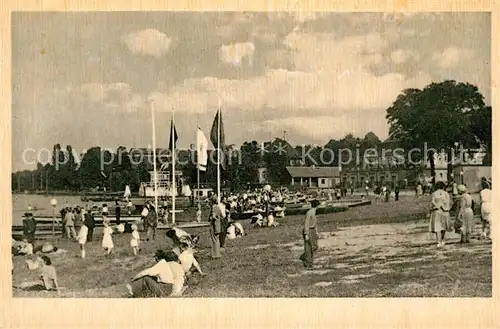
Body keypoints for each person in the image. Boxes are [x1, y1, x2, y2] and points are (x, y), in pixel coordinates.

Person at [126, 249, 190, 298]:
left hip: (165, 290)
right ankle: (140, 293)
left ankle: (134, 293)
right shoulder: (168, 264)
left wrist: (133, 279)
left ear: (156, 258)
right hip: (169, 287)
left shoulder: (161, 264)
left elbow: (144, 272)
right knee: (152, 278)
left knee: (146, 278)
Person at [429, 181, 451, 247]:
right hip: (444, 211)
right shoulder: (446, 193)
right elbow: (448, 202)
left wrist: (436, 206)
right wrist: (445, 208)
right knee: (444, 226)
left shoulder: (434, 194)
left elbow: (432, 202)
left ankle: (438, 241)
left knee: (437, 226)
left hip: (437, 211)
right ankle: (442, 239)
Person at [300, 199, 320, 269]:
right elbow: (306, 223)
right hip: (309, 230)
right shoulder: (309, 213)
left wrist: (316, 232)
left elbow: (315, 224)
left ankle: (304, 257)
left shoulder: (314, 212)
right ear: (317, 206)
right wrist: (306, 234)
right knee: (308, 247)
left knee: (315, 246)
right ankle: (308, 263)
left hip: (313, 230)